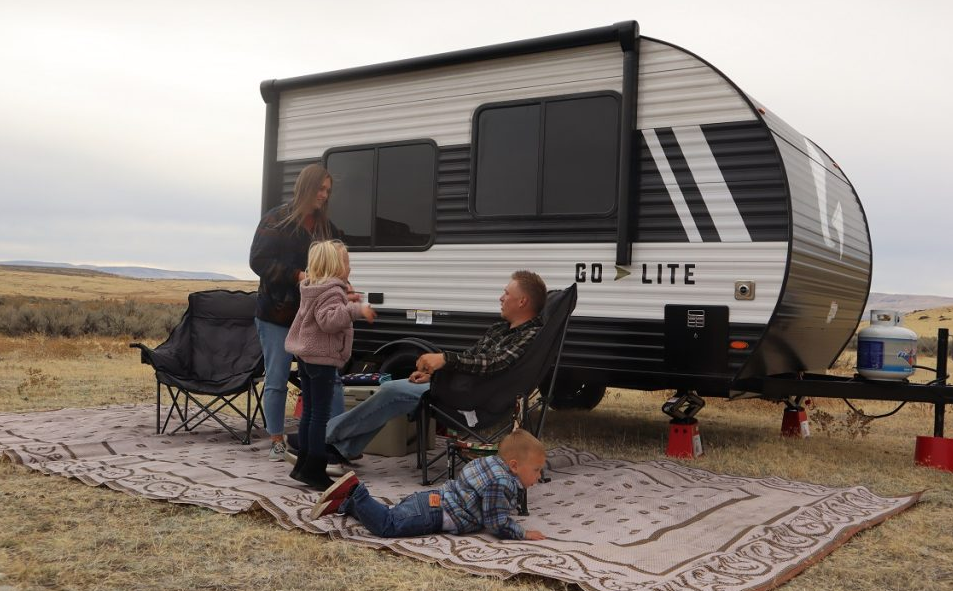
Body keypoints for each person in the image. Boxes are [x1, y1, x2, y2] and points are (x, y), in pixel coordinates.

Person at [323, 270, 547, 462]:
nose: (501, 298)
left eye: (506, 293)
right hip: (461, 389)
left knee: (392, 391)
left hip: (474, 402)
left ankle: (322, 437)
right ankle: (343, 449)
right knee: (396, 391)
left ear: (522, 301)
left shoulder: (530, 335)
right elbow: (473, 359)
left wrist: (444, 359)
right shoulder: (501, 329)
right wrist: (434, 376)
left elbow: (495, 364)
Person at [250, 163, 355, 461]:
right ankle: (276, 440)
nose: (324, 195)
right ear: (306, 187)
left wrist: (346, 289)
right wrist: (297, 275)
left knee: (329, 377)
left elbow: (336, 266)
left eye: (328, 190)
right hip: (277, 314)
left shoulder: (326, 227)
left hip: (315, 317)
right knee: (277, 377)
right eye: (320, 189)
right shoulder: (276, 219)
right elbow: (258, 260)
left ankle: (333, 440)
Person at [312, 428, 547, 541]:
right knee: (387, 526)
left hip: (431, 500)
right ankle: (356, 491)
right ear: (514, 465)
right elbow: (497, 523)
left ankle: (348, 504)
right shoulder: (502, 482)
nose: (538, 476)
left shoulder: (489, 462)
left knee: (389, 515)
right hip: (434, 514)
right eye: (536, 470)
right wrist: (522, 533)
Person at [284, 241, 376, 489]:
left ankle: (302, 465)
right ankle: (315, 468)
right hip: (321, 358)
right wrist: (357, 309)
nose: (350, 267)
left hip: (306, 357)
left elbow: (325, 312)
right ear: (335, 266)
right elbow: (329, 321)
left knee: (310, 414)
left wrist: (346, 302)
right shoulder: (332, 290)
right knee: (320, 417)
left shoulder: (313, 287)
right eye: (346, 262)